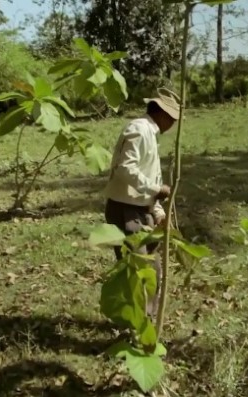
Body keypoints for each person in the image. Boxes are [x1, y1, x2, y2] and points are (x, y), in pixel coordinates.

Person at [103, 89, 180, 318]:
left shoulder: (149, 133)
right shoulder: (138, 129)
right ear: (164, 115)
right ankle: (135, 323)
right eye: (173, 119)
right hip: (126, 210)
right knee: (138, 270)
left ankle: (145, 320)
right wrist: (157, 190)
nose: (174, 124)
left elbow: (149, 176)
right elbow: (126, 168)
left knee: (151, 268)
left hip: (139, 210)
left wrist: (157, 210)